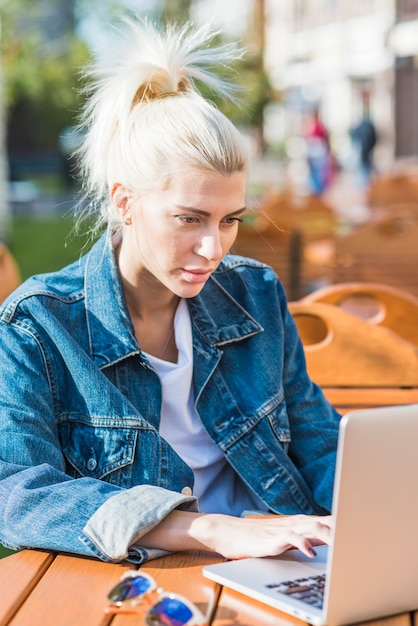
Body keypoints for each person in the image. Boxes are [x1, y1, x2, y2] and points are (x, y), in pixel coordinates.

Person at [0, 18, 340, 565]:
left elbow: (316, 437)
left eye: (230, 219)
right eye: (190, 218)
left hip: (286, 560)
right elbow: (17, 493)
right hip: (151, 574)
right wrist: (209, 530)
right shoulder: (38, 326)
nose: (214, 248)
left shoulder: (255, 293)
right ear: (123, 202)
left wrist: (369, 512)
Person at [304, 107, 334, 195]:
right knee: (315, 171)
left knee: (319, 171)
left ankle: (318, 189)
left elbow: (325, 138)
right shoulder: (314, 126)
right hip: (315, 153)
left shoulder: (317, 126)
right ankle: (315, 188)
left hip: (318, 153)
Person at [350, 97, 377, 189]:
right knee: (365, 169)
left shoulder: (364, 126)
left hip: (365, 151)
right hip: (365, 151)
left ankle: (365, 187)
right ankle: (365, 186)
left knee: (364, 169)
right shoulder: (366, 125)